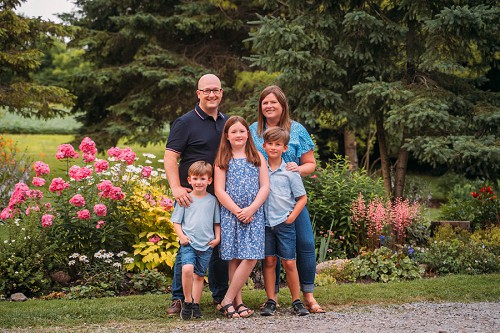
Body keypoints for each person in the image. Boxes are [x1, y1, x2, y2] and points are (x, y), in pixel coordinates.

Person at [249, 85, 326, 313]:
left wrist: (297, 169)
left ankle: (308, 296)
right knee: (270, 254)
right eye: (265, 103)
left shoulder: (297, 130)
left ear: (283, 105)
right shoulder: (253, 130)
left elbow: (310, 164)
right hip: (262, 200)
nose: (269, 106)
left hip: (290, 200)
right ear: (260, 107)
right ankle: (272, 298)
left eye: (274, 102)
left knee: (305, 244)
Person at [164, 73, 228, 315]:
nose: (212, 94)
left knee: (218, 246)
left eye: (216, 90)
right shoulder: (185, 122)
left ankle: (221, 296)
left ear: (221, 93)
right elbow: (171, 157)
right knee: (187, 247)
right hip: (191, 196)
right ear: (198, 93)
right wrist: (177, 188)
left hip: (220, 195)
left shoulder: (227, 122)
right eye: (207, 90)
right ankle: (180, 298)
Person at [214, 116, 270, 319]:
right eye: (234, 132)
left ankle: (226, 299)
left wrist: (251, 209)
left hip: (253, 215)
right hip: (231, 215)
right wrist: (238, 211)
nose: (238, 135)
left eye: (242, 131)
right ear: (227, 136)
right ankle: (237, 303)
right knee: (235, 258)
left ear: (248, 134)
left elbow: (265, 186)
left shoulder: (257, 157)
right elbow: (220, 191)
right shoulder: (222, 160)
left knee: (251, 256)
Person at [260, 127, 310, 317]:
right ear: (264, 146)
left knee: (289, 262)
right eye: (270, 144)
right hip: (266, 224)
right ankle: (271, 300)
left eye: (278, 144)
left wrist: (291, 218)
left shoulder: (290, 171)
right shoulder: (260, 170)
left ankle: (296, 301)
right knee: (270, 261)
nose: (273, 147)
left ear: (285, 148)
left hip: (284, 223)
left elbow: (302, 198)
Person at [171, 161, 221, 320]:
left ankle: (196, 305)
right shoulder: (185, 199)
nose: (199, 182)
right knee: (187, 269)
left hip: (206, 244)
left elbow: (216, 222)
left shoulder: (212, 200)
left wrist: (217, 238)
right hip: (189, 242)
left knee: (199, 276)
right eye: (195, 179)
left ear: (209, 180)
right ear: (189, 180)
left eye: (202, 179)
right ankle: (187, 301)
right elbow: (176, 221)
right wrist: (181, 236)